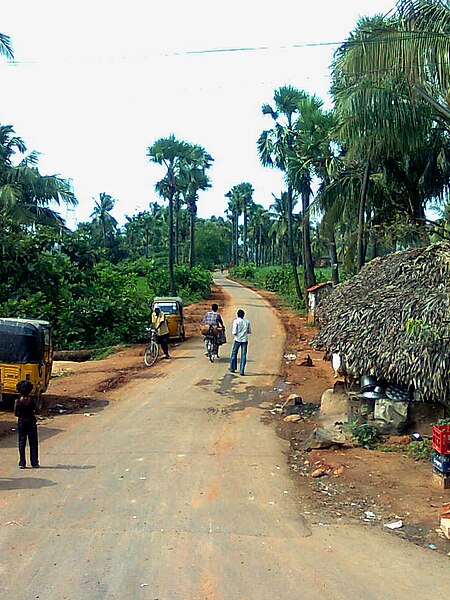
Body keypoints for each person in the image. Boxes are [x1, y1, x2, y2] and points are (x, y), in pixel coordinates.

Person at [14, 380, 40, 469]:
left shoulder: (18, 401)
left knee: (22, 442)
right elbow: (37, 410)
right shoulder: (32, 400)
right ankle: (34, 462)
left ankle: (22, 462)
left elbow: (16, 413)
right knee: (33, 442)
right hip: (31, 422)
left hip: (22, 422)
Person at [229, 309, 252, 375]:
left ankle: (232, 367)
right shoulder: (247, 321)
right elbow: (249, 331)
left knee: (234, 353)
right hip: (245, 339)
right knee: (243, 355)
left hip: (237, 339)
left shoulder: (236, 321)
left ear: (237, 315)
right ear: (243, 315)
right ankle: (242, 370)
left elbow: (234, 332)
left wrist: (237, 334)